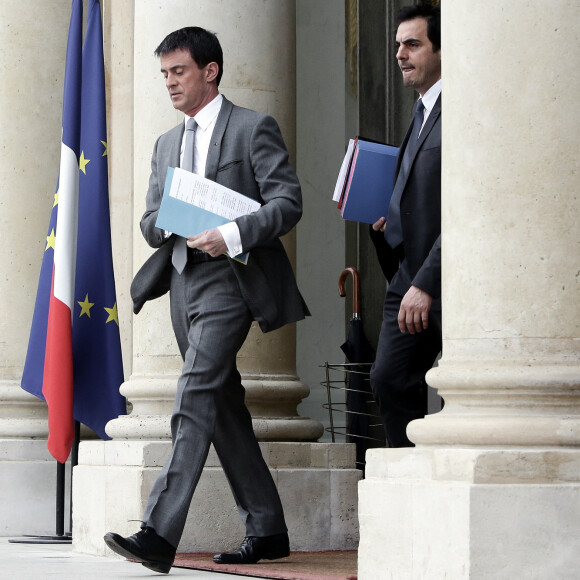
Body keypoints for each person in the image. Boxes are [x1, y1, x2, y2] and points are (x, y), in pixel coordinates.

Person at [104, 26, 309, 574]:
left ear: (210, 70)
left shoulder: (252, 128)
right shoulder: (165, 144)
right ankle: (267, 527)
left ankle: (158, 531)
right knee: (221, 406)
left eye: (179, 71)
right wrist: (173, 213)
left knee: (194, 391)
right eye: (164, 74)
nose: (169, 83)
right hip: (182, 280)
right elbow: (150, 222)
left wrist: (232, 232)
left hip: (232, 279)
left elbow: (288, 203)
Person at [369, 4, 443, 448]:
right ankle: (409, 477)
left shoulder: (459, 109)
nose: (400, 53)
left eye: (412, 44)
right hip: (406, 274)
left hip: (438, 277)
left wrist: (427, 282)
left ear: (442, 50)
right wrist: (390, 217)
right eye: (398, 44)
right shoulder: (420, 110)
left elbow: (466, 207)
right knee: (389, 380)